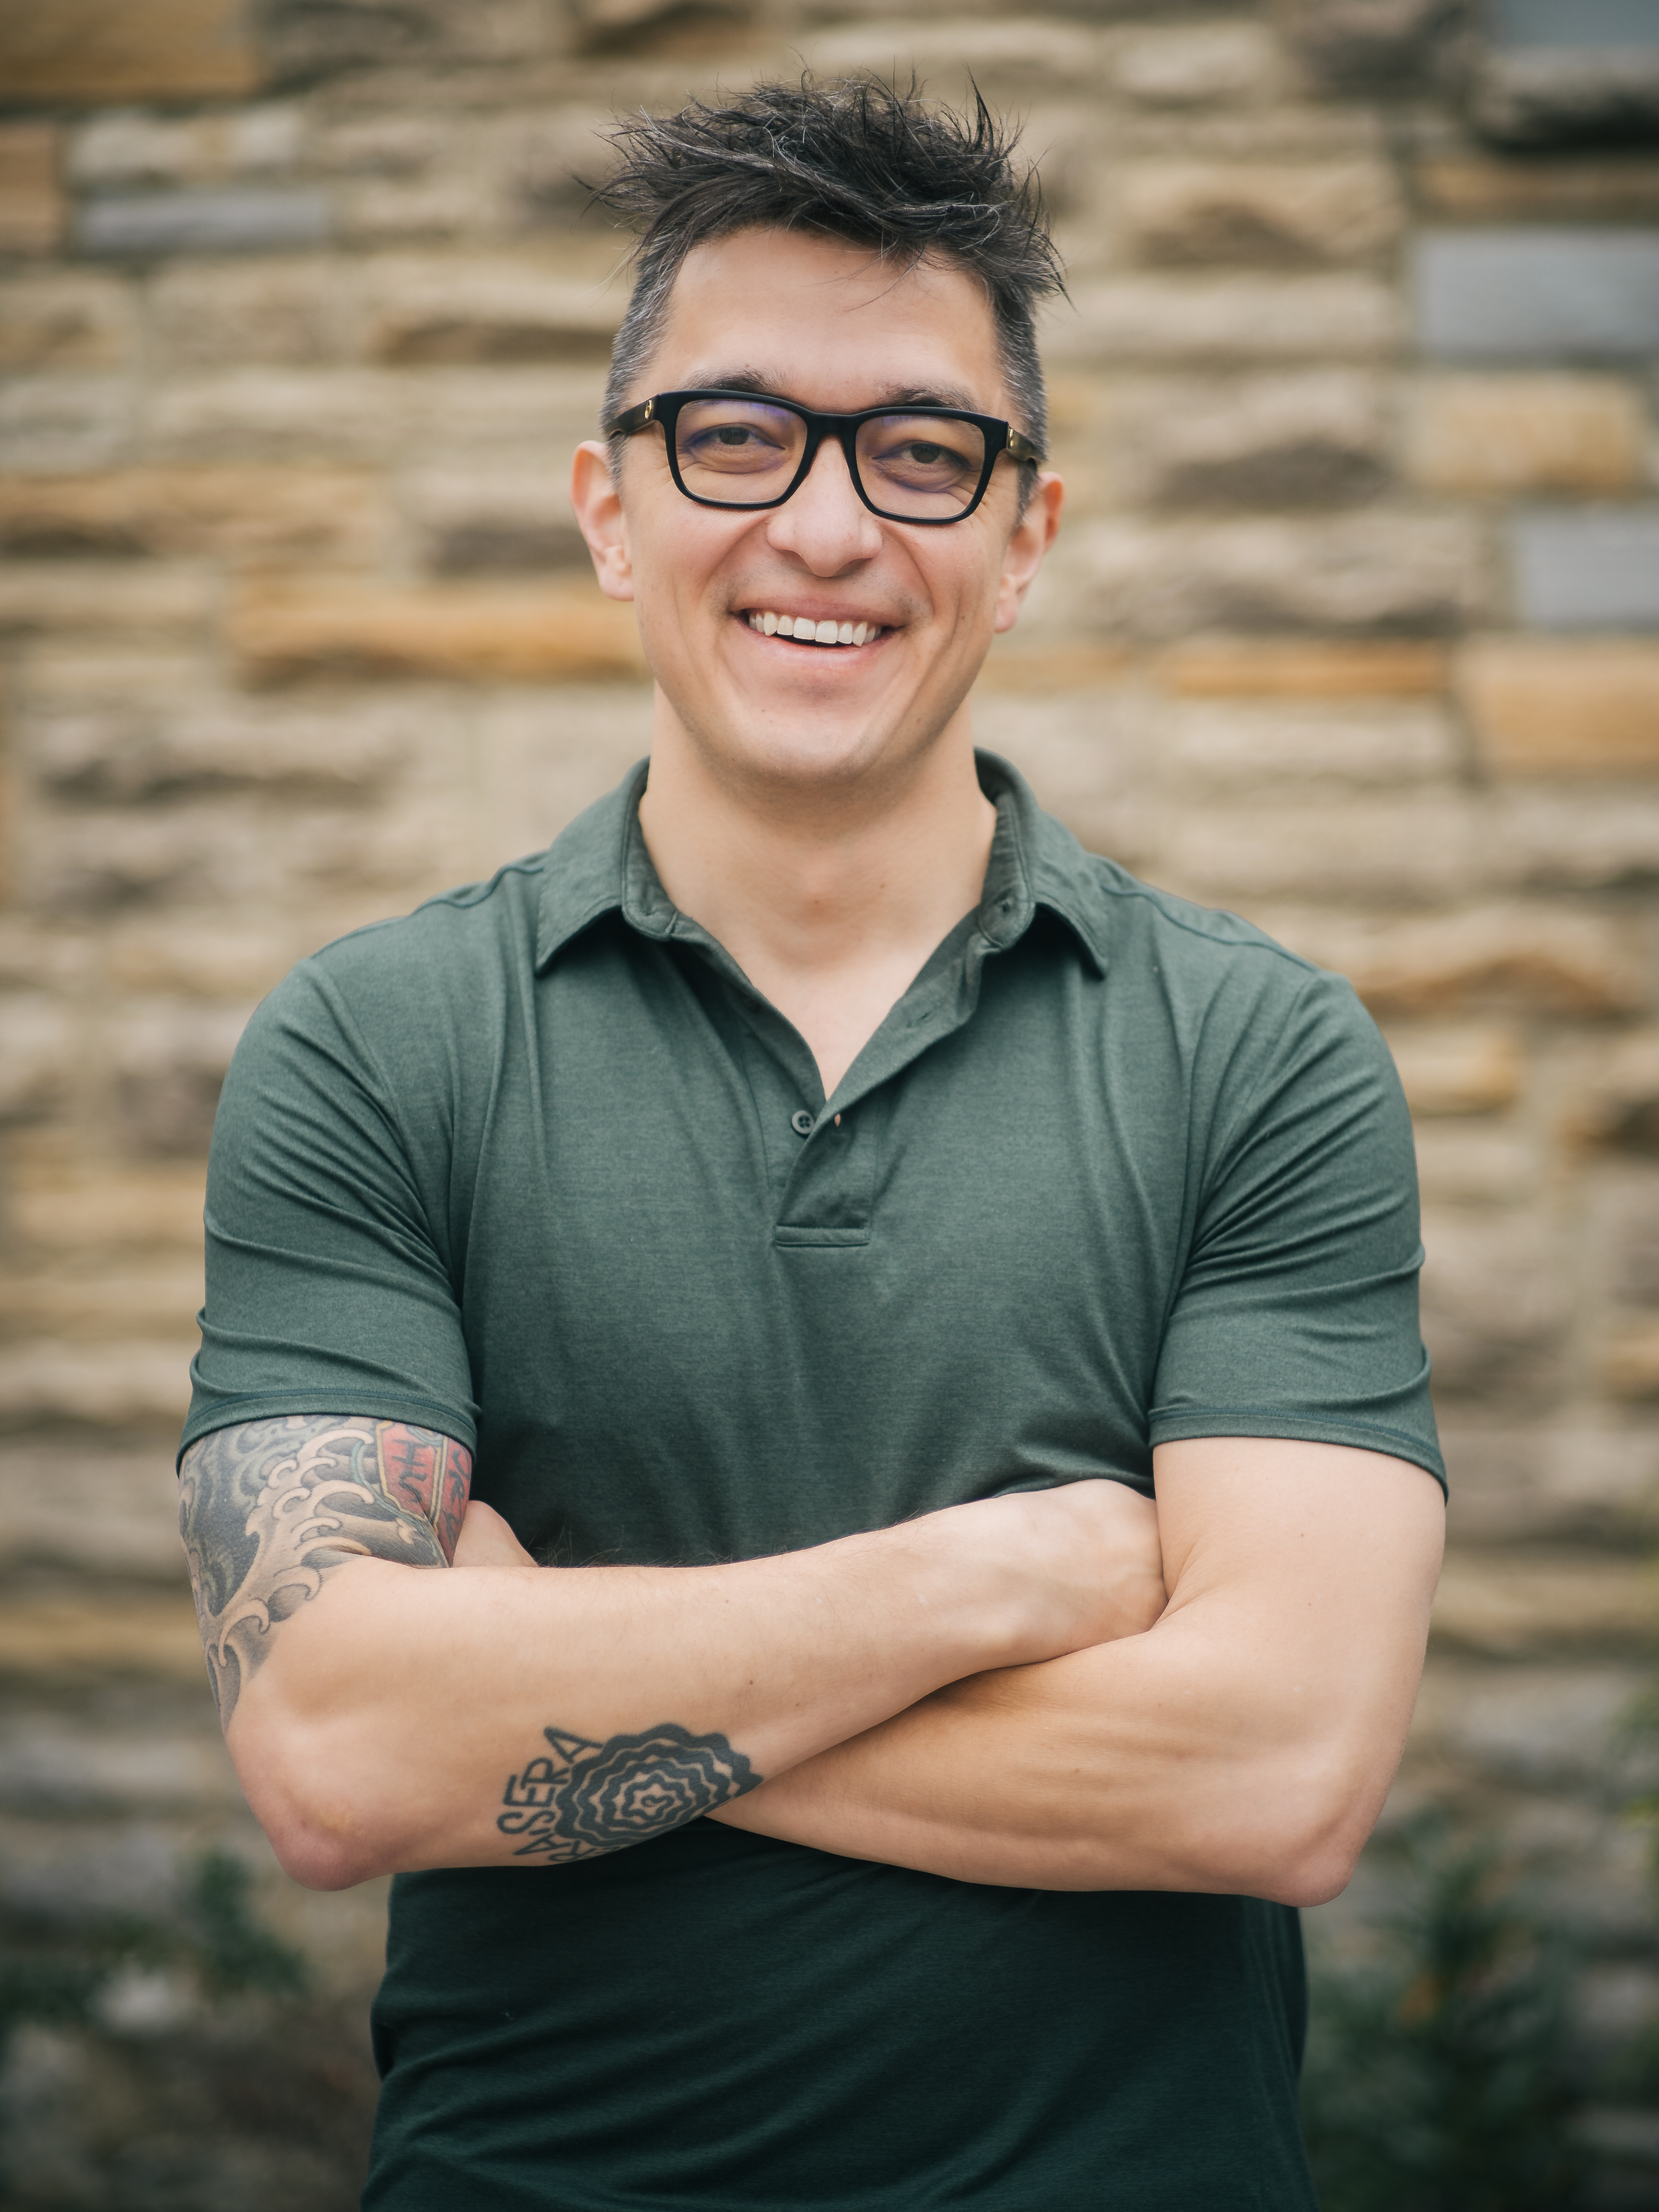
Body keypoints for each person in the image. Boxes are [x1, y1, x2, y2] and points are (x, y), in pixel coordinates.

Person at [178, 77, 1446, 2211]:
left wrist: (540, 1665)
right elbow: (335, 1754)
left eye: (921, 450)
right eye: (736, 435)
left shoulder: (1260, 1054)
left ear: (1025, 535)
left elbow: (1277, 1777)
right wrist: (1003, 1575)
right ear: (609, 507)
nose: (830, 527)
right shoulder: (375, 1046)